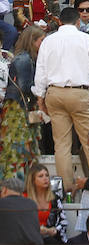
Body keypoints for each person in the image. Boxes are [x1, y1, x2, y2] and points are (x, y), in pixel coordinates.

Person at [32, 6, 89, 191]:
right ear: (78, 21)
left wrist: (40, 98)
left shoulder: (48, 41)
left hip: (54, 93)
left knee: (61, 145)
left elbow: (40, 72)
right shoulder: (86, 39)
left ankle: (67, 190)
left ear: (60, 22)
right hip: (79, 92)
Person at [4, 26, 44, 163]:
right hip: (18, 110)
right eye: (41, 40)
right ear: (32, 41)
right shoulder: (24, 60)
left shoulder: (28, 58)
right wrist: (42, 90)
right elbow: (25, 86)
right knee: (18, 150)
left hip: (21, 107)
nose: (44, 44)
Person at [23, 164, 66, 245]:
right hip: (29, 238)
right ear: (33, 180)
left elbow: (63, 221)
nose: (45, 178)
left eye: (47, 175)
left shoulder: (55, 198)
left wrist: (55, 230)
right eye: (41, 176)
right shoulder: (24, 198)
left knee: (50, 243)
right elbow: (20, 222)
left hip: (50, 237)